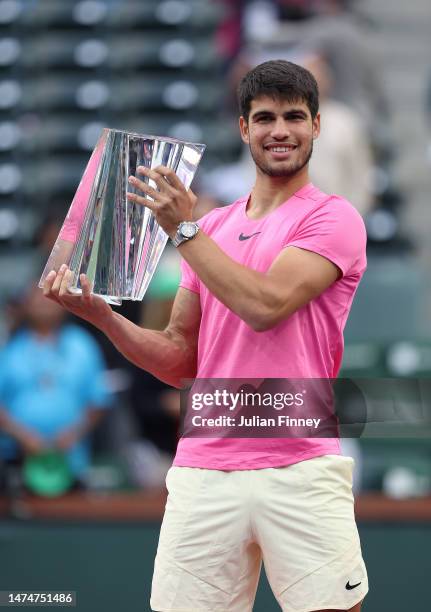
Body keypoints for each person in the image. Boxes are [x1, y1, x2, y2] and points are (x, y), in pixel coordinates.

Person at [44, 60, 368, 611]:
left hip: (298, 460)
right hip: (203, 467)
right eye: (265, 117)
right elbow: (178, 359)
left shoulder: (333, 219)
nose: (280, 131)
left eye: (294, 116)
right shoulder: (212, 230)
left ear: (316, 125)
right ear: (244, 128)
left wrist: (183, 230)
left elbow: (266, 305)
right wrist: (101, 315)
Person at [0, 283, 111, 487]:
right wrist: (23, 436)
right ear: (25, 305)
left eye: (49, 298)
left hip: (72, 460)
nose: (44, 303)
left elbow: (99, 400)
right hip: (17, 460)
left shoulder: (82, 344)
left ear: (63, 303)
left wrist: (73, 434)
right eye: (37, 298)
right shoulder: (10, 347)